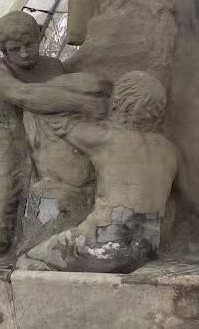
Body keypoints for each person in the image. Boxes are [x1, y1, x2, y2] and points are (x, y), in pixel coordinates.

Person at [18, 71, 177, 273]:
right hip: (146, 249)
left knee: (28, 259)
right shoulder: (169, 150)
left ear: (118, 104)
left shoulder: (106, 139)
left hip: (103, 246)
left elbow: (59, 124)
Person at [0, 11, 108, 255]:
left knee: (48, 199)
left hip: (49, 141)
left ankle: (42, 251)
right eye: (15, 48)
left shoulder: (53, 66)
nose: (24, 53)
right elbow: (24, 96)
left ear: (39, 38)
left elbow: (58, 104)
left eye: (29, 44)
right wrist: (82, 102)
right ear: (4, 50)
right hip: (12, 141)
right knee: (3, 201)